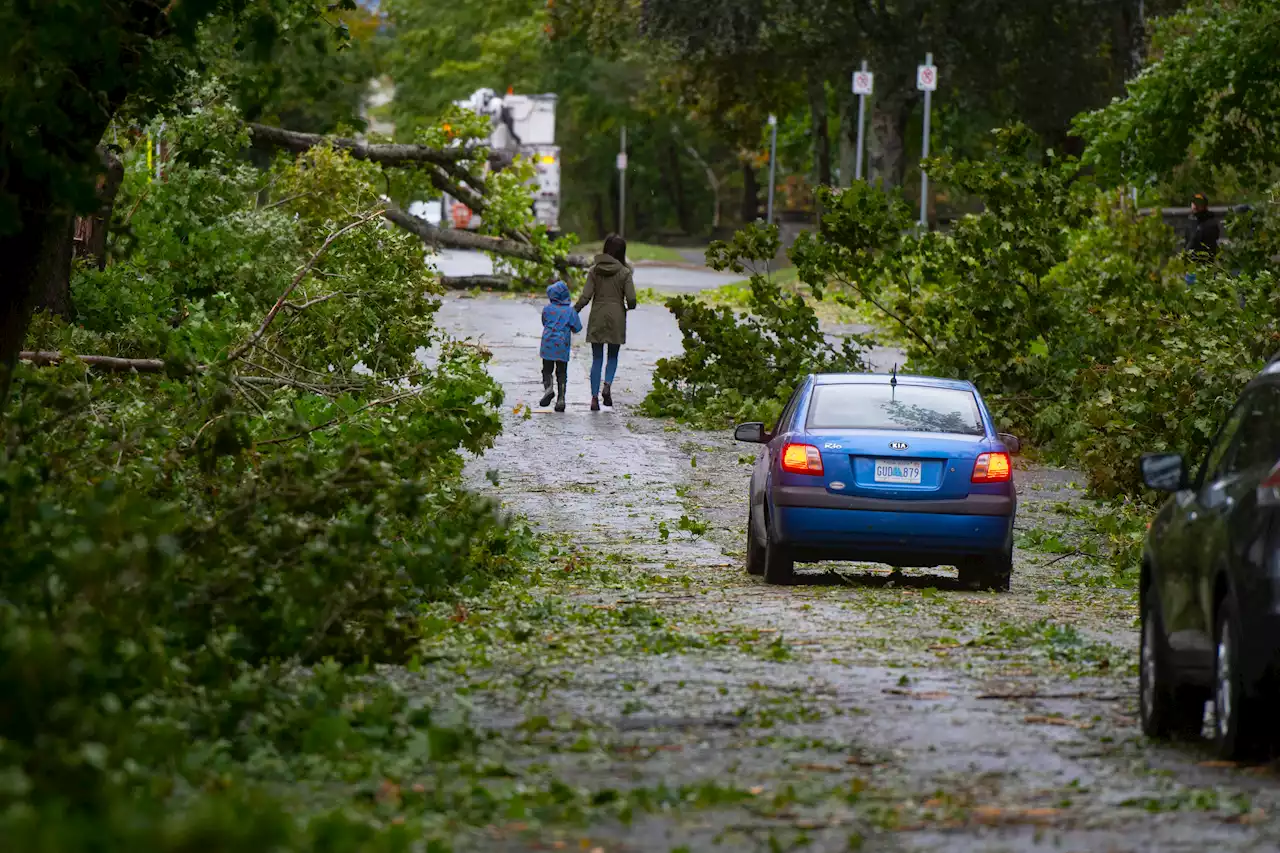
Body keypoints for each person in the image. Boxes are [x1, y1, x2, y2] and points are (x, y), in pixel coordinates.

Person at [574, 234, 637, 411]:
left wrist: (573, 311)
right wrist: (629, 306)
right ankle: (607, 384)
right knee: (613, 356)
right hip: (617, 316)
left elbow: (586, 296)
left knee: (597, 358)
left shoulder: (594, 271)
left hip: (598, 316)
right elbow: (631, 299)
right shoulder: (625, 273)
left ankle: (594, 398)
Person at [539, 280, 582, 413]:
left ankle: (549, 388)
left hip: (547, 344)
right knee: (562, 372)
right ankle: (561, 398)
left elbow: (544, 322)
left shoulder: (547, 309)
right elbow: (577, 328)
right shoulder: (570, 311)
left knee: (547, 370)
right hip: (562, 345)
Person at [1186, 192, 1221, 263]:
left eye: (1199, 203)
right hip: (1190, 264)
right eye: (1194, 203)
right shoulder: (1191, 221)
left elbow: (1209, 248)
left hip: (1204, 265)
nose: (1195, 206)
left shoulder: (1211, 223)